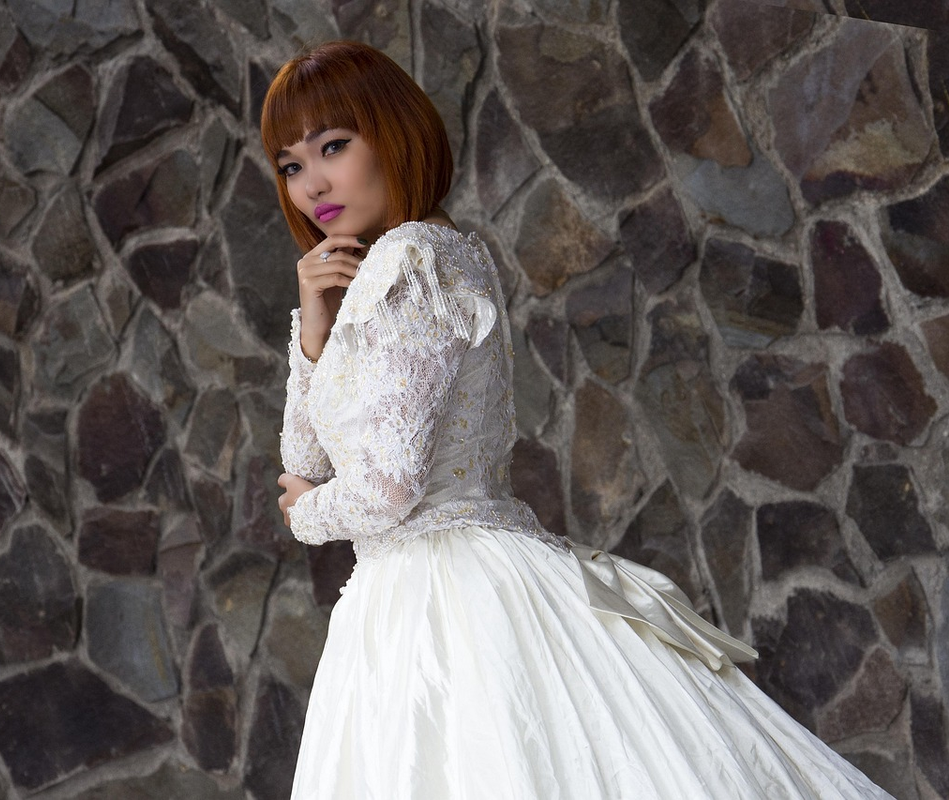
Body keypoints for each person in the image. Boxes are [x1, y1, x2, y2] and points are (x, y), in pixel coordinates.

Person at [264, 40, 893, 800]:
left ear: (394, 132)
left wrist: (306, 516)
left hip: (443, 594)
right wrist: (313, 325)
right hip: (436, 585)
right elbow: (309, 454)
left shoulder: (411, 261)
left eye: (334, 146)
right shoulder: (424, 258)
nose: (314, 184)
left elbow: (383, 489)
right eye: (292, 164)